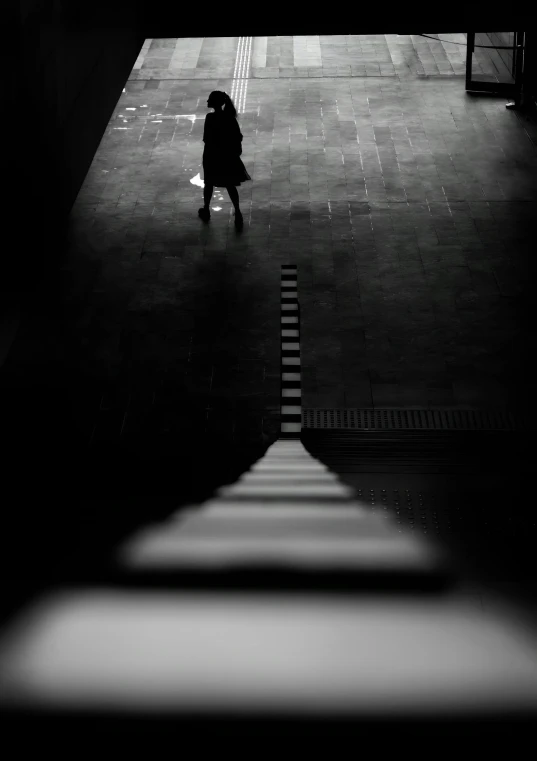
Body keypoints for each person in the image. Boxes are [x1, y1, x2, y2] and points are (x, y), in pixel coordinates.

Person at [198, 91, 251, 229]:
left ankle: (206, 209)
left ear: (214, 103)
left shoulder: (210, 118)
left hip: (212, 156)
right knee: (230, 184)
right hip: (227, 156)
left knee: (209, 183)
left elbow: (207, 139)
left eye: (209, 99)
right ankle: (238, 212)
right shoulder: (230, 118)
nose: (207, 101)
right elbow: (238, 136)